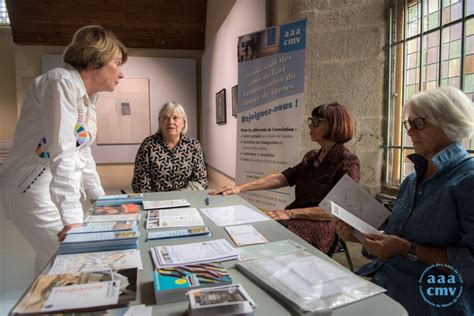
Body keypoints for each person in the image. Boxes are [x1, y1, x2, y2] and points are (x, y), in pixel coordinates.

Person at [335, 86, 474, 315]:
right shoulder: (411, 180)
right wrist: (359, 236)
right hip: (382, 282)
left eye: (419, 123)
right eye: (408, 124)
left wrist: (407, 249)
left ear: (450, 123)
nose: (410, 132)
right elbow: (392, 243)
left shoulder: (468, 180)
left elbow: (470, 265)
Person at [0, 25, 127, 272]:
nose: (121, 73)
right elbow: (63, 151)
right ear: (95, 61)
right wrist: (72, 218)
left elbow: (83, 151)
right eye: (118, 62)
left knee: (51, 262)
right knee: (72, 262)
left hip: (51, 190)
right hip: (30, 192)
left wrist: (100, 199)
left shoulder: (88, 98)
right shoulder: (60, 83)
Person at [210, 103, 360, 253]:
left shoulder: (347, 162)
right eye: (311, 121)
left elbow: (338, 210)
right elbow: (281, 178)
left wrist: (290, 213)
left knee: (261, 228)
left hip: (320, 226)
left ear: (334, 126)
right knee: (256, 225)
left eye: (316, 122)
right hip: (295, 216)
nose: (310, 127)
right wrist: (239, 188)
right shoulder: (312, 156)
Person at [132, 101, 208, 192]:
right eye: (165, 118)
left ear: (183, 123)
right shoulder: (148, 145)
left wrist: (177, 196)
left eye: (175, 118)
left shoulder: (193, 145)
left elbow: (201, 181)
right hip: (156, 202)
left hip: (187, 199)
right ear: (160, 122)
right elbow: (140, 183)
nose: (170, 122)